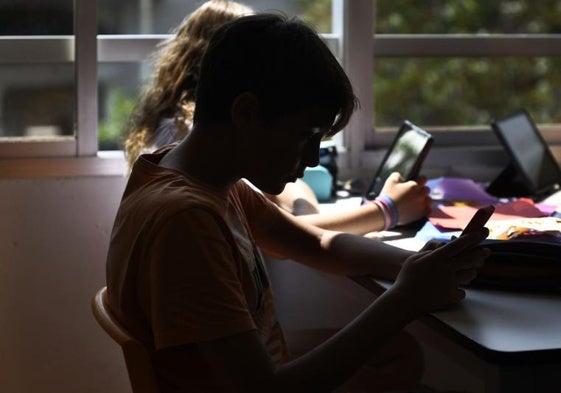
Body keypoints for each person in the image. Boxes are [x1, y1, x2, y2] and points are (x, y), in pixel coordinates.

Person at [106, 12, 489, 393]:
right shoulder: (187, 219)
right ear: (245, 113)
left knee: (399, 353)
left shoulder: (207, 181)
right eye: (306, 135)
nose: (311, 158)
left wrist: (424, 267)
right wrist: (405, 299)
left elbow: (318, 245)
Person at [123, 0, 431, 236]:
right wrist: (386, 210)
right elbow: (298, 228)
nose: (311, 159)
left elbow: (295, 207)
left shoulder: (214, 166)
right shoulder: (195, 162)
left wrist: (303, 212)